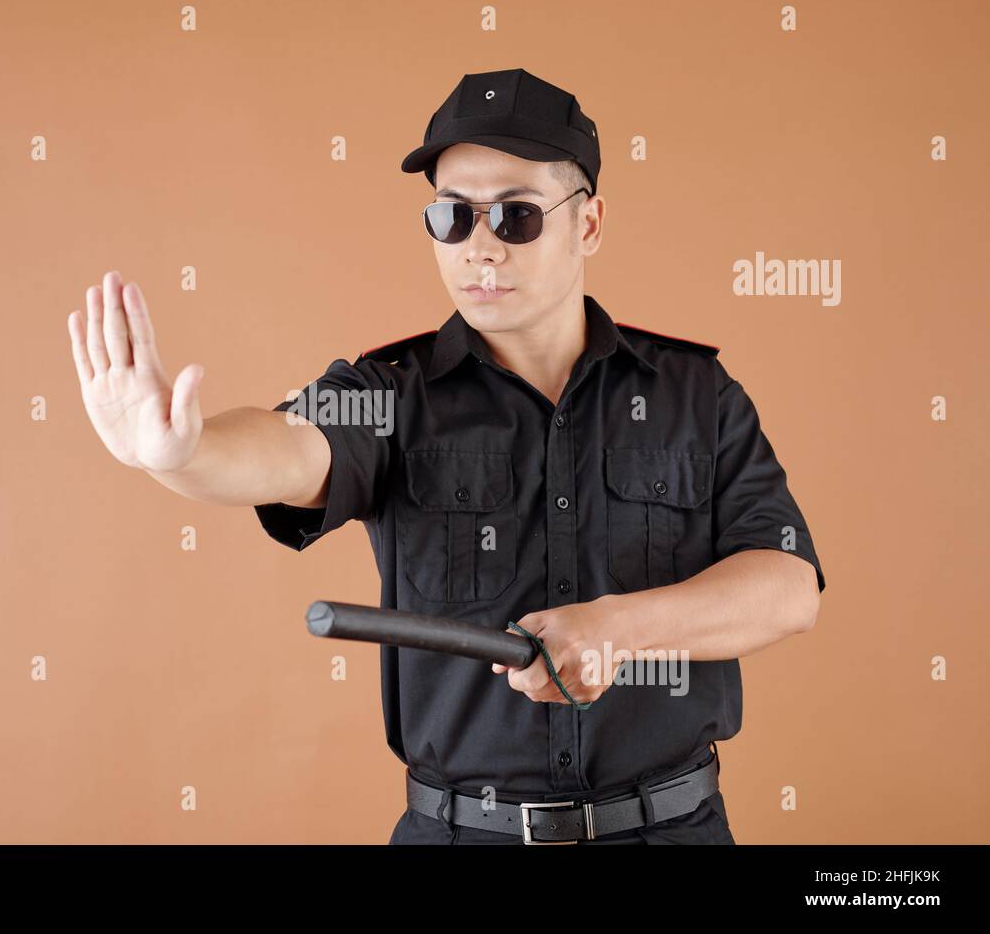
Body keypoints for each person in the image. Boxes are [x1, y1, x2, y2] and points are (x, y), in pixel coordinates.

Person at [67, 68, 825, 845]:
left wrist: (617, 628)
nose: (481, 248)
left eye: (516, 216)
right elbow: (290, 446)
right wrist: (182, 453)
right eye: (452, 217)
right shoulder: (391, 394)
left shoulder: (695, 394)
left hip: (671, 830)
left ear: (589, 224)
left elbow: (788, 585)